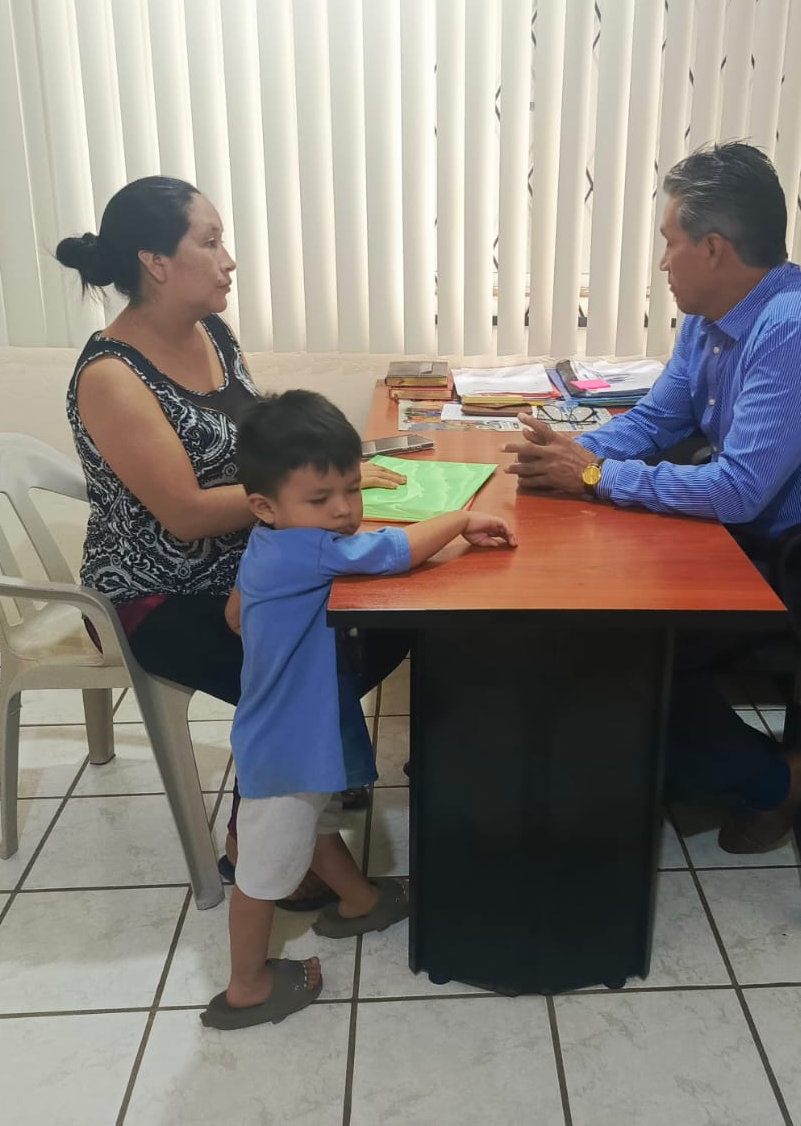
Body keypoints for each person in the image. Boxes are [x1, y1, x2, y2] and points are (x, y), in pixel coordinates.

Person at [503, 141, 801, 854]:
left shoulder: (796, 327)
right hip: (757, 541)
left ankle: (775, 781)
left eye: (671, 242)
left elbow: (739, 490)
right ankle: (683, 762)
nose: (663, 262)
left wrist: (592, 478)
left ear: (713, 248)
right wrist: (569, 453)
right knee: (589, 618)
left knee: (618, 650)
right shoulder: (711, 318)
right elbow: (659, 420)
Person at [55, 176, 408, 908]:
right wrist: (317, 501)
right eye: (210, 242)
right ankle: (264, 840)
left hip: (246, 565)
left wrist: (329, 483)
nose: (229, 260)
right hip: (157, 596)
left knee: (390, 614)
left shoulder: (212, 333)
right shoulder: (112, 376)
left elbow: (262, 450)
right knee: (329, 649)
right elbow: (185, 516)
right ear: (155, 262)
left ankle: (313, 784)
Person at [201, 390, 517, 1028]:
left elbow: (235, 614)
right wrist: (458, 520)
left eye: (351, 489)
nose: (345, 510)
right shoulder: (310, 550)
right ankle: (247, 986)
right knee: (262, 874)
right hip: (286, 749)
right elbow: (397, 552)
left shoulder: (269, 542)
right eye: (321, 500)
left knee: (315, 826)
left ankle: (360, 901)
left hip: (288, 734)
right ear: (264, 505)